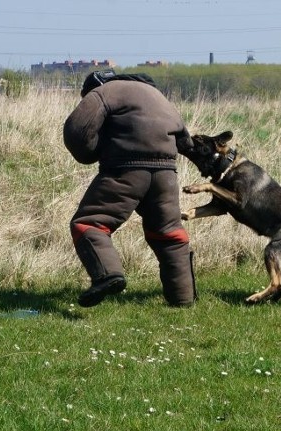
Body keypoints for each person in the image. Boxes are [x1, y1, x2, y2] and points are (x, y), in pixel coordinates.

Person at [63, 71, 196, 307]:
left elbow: (77, 131)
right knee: (169, 234)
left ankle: (108, 275)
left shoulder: (103, 92)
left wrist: (92, 154)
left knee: (89, 223)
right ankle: (183, 300)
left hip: (126, 170)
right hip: (166, 175)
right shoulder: (156, 94)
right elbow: (185, 142)